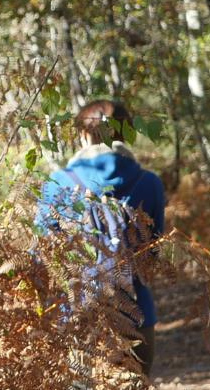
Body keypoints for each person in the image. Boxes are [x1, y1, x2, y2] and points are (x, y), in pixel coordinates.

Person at [35, 99, 166, 372]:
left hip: (77, 319)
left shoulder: (58, 185)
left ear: (84, 135)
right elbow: (153, 253)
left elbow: (41, 258)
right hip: (137, 315)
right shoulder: (149, 183)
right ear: (127, 133)